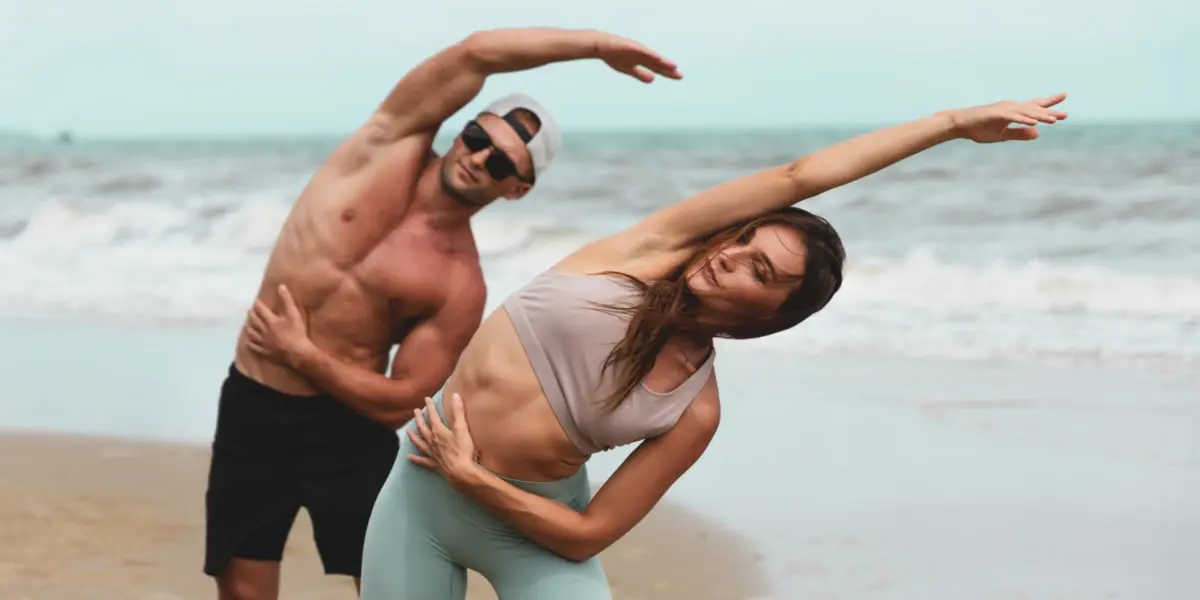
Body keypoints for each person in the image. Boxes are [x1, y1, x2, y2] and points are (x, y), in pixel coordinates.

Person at [249, 93, 1069, 599]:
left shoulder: (695, 410)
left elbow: (587, 536)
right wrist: (952, 123)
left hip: (530, 523)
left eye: (760, 268)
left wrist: (476, 477)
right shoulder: (648, 249)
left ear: (776, 311)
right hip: (422, 500)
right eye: (744, 240)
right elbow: (797, 177)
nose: (730, 253)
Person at [208, 27, 683, 600]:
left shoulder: (459, 284)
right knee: (243, 589)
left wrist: (304, 355)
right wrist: (593, 48)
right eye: (478, 136)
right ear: (461, 130)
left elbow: (402, 400)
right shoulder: (382, 148)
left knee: (385, 587)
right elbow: (475, 53)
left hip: (346, 432)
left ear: (517, 189)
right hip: (253, 405)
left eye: (503, 162)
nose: (480, 157)